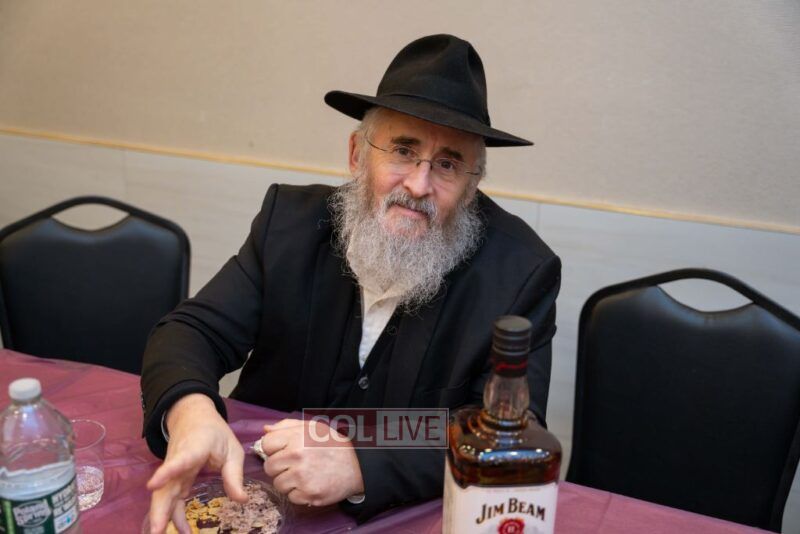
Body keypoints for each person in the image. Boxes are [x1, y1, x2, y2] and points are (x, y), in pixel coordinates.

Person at [141, 33, 561, 532]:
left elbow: (509, 433)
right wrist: (190, 413)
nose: (418, 185)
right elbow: (191, 331)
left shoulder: (521, 273)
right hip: (256, 497)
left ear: (472, 185)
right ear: (358, 154)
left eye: (448, 164)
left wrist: (364, 465)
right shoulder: (289, 223)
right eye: (402, 150)